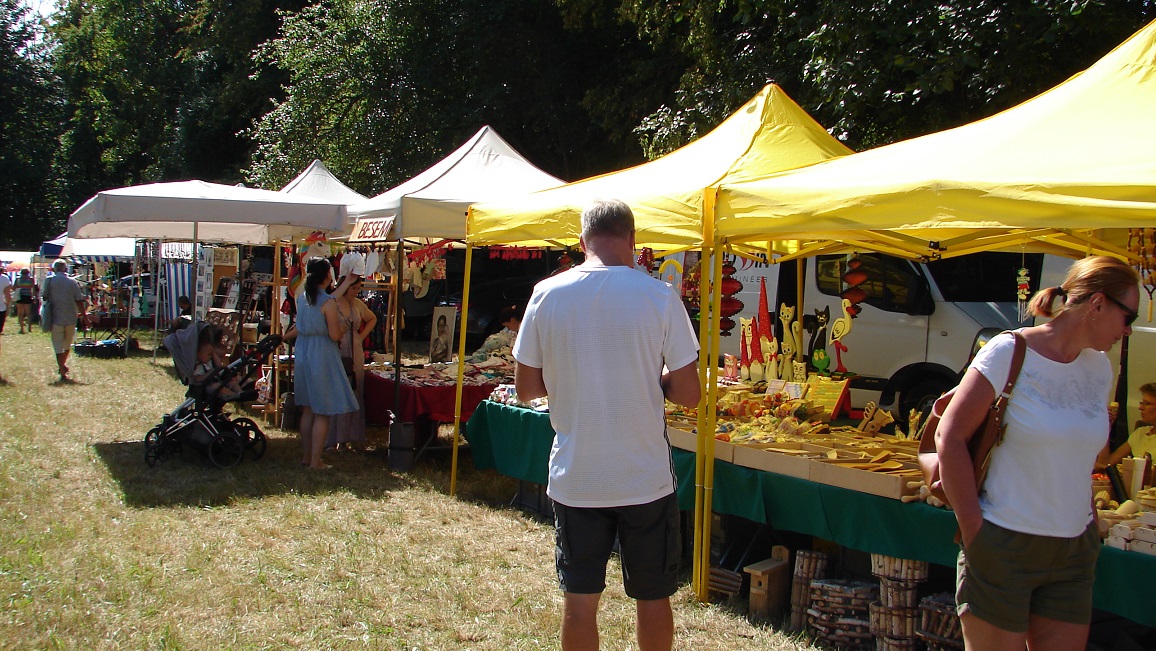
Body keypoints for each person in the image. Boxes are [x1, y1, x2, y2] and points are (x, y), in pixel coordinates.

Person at [513, 199, 701, 651]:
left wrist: (571, 375)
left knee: (579, 604)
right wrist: (653, 379)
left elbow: (526, 389)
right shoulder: (660, 296)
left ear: (582, 241)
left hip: (577, 474)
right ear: (633, 239)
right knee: (652, 598)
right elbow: (690, 394)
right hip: (644, 476)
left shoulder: (546, 293)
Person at [935, 255, 1139, 651]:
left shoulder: (1099, 369)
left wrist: (1089, 523)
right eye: (1127, 316)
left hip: (1074, 549)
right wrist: (975, 530)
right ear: (1097, 304)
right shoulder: (1008, 350)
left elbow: (1082, 456)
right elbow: (950, 436)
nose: (1128, 329)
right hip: (1004, 540)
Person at [283, 258, 358, 470]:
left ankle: (307, 456)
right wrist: (343, 328)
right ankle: (316, 461)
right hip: (322, 354)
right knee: (322, 411)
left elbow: (324, 301)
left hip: (304, 351)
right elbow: (334, 334)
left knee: (308, 409)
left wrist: (346, 282)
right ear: (327, 276)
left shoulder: (302, 298)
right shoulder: (327, 303)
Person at [327, 273, 378, 451]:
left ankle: (348, 437)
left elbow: (372, 318)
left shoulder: (357, 304)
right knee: (336, 391)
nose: (356, 291)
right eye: (354, 288)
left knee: (354, 390)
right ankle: (332, 438)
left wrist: (361, 337)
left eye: (358, 288)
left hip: (355, 350)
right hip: (336, 348)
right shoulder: (333, 302)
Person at [41, 260, 89, 381]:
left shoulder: (49, 281)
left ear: (54, 269)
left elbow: (44, 296)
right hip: (70, 317)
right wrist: (85, 317)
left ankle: (61, 367)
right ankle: (62, 367)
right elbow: (79, 300)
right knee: (67, 344)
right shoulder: (72, 282)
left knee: (57, 343)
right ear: (65, 269)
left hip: (55, 316)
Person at [1098, 382, 1156, 468]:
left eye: (1147, 403)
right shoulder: (1140, 433)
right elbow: (1105, 464)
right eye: (1141, 403)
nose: (1140, 407)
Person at [14, 269, 36, 333]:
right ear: (28, 273)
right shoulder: (31, 279)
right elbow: (33, 288)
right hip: (28, 296)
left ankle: (21, 328)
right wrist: (34, 296)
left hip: (20, 297)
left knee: (20, 313)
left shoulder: (18, 279)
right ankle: (29, 328)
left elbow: (14, 288)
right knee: (28, 313)